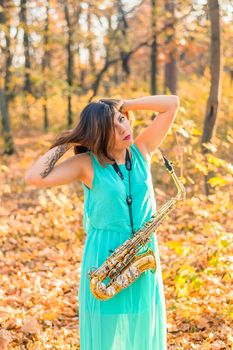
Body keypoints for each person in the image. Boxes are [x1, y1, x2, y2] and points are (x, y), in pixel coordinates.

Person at [25, 94, 179, 350]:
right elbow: (35, 177)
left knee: (143, 325)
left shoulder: (141, 150)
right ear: (97, 134)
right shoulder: (87, 164)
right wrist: (71, 139)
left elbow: (171, 104)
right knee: (105, 334)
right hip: (105, 256)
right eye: (112, 127)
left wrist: (122, 106)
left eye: (123, 121)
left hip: (142, 253)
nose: (123, 128)